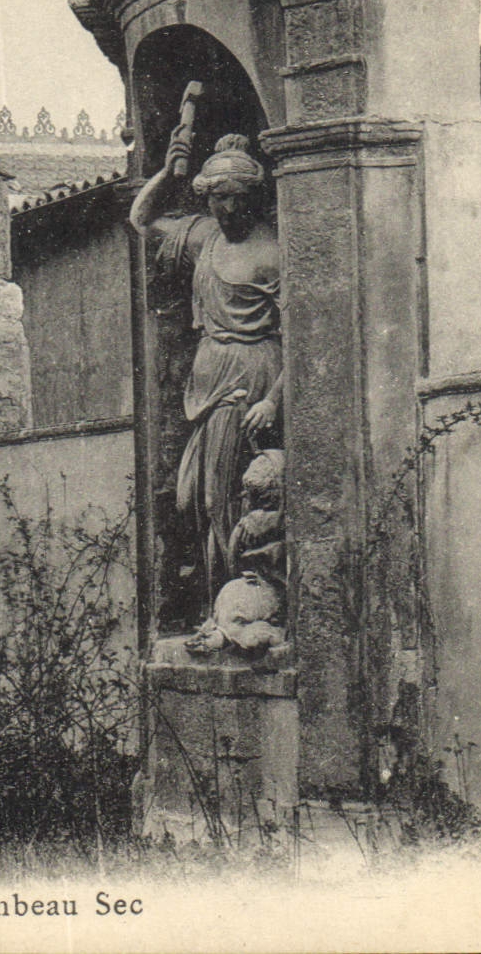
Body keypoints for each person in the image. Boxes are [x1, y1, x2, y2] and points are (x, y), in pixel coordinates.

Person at [131, 130, 282, 607]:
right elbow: (142, 219)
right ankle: (222, 598)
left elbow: (300, 334)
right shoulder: (203, 237)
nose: (229, 209)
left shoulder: (272, 251)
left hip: (252, 374)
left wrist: (272, 400)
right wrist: (166, 172)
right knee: (191, 496)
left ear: (254, 196)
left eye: (238, 198)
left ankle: (240, 599)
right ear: (207, 197)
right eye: (219, 198)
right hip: (209, 377)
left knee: (226, 496)